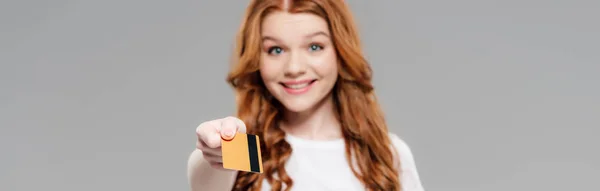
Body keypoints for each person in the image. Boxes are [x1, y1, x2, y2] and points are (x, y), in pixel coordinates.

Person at [187, 0, 425, 190]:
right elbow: (209, 179)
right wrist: (218, 149)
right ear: (256, 59)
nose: (294, 68)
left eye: (314, 47)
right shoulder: (248, 150)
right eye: (276, 50)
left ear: (340, 51)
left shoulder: (386, 154)